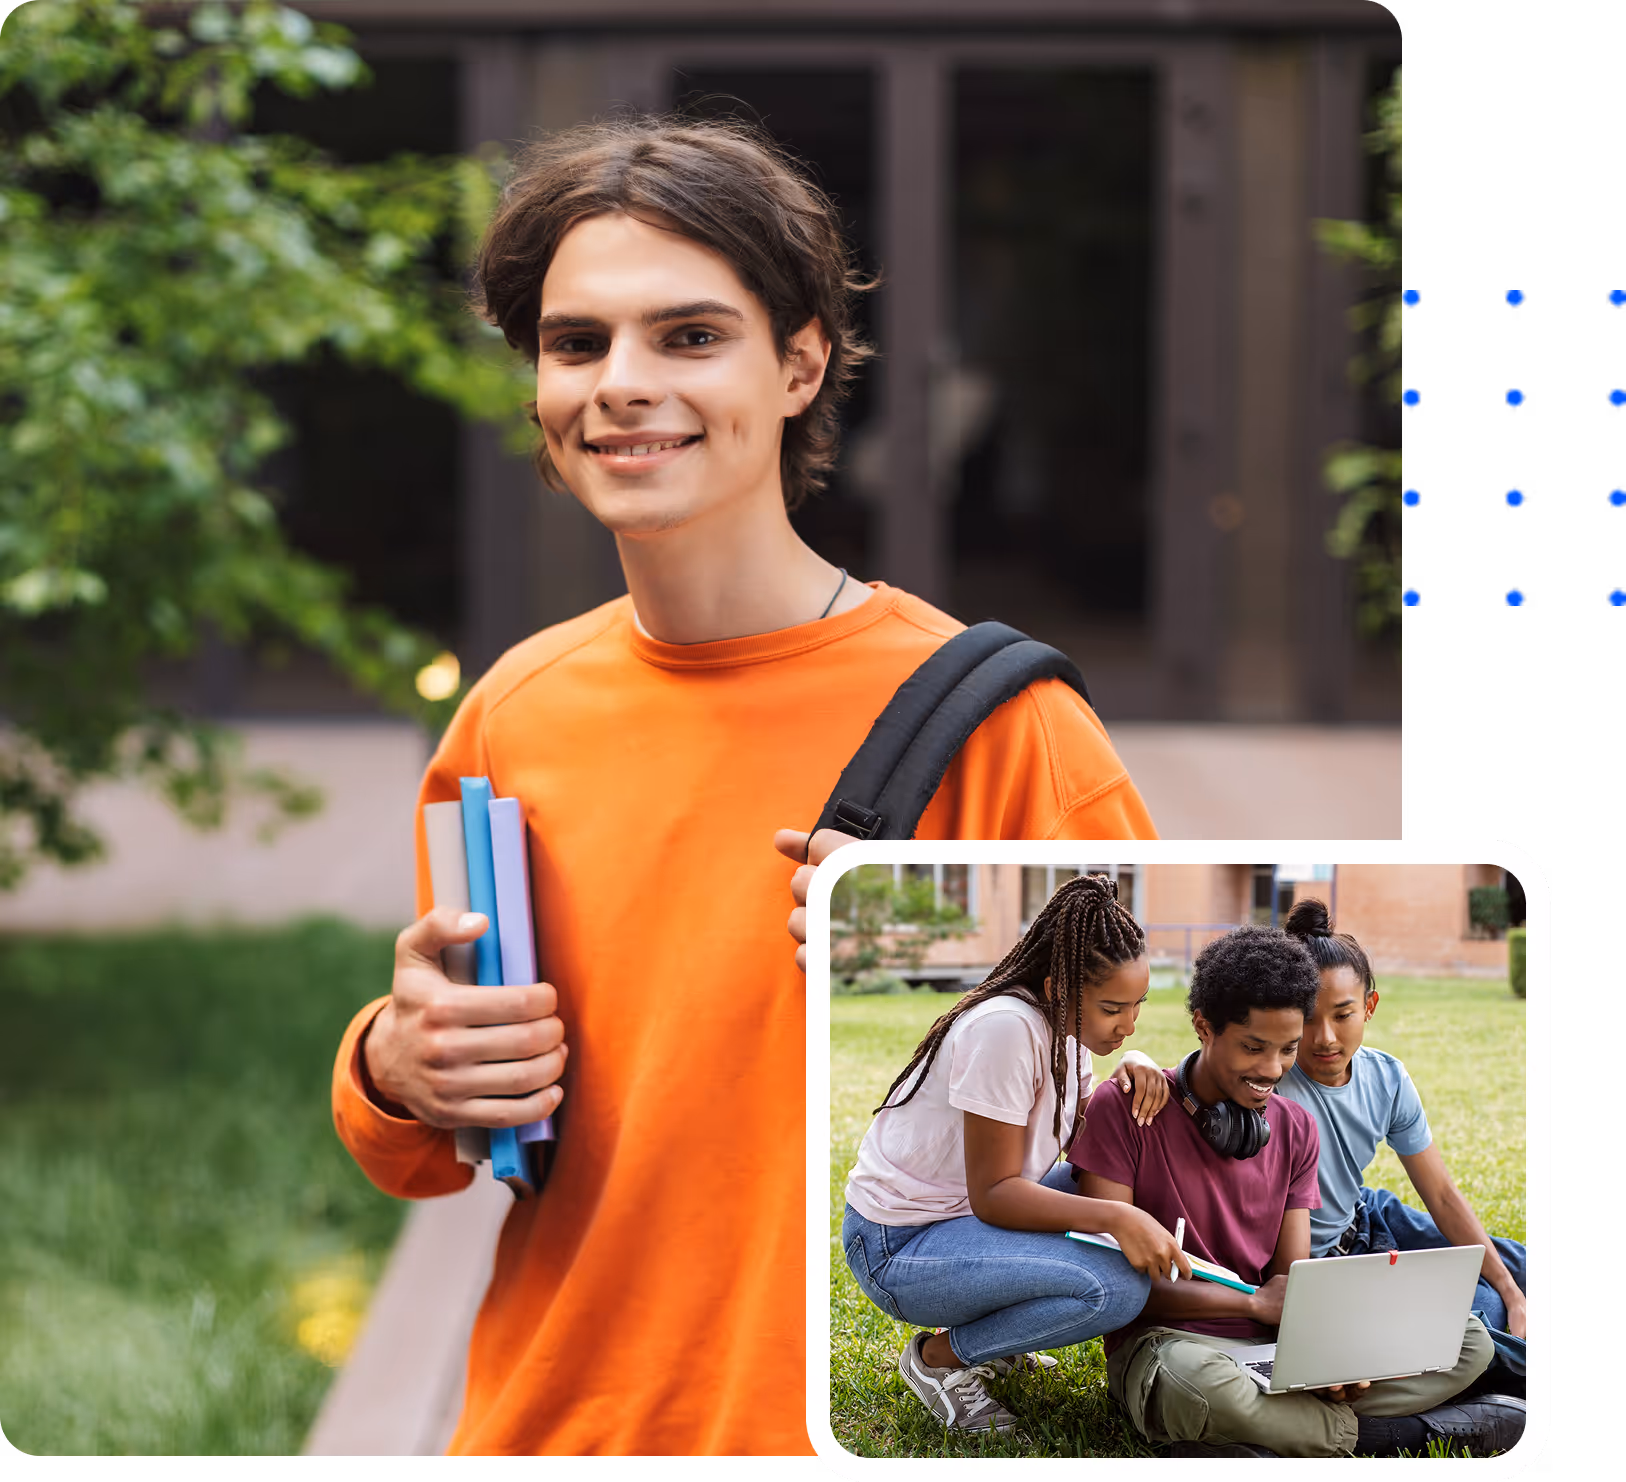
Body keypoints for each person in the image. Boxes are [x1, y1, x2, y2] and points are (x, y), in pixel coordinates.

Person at [330, 113, 1157, 1456]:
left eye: (689, 335)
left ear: (799, 363)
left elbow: (1115, 1086)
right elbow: (430, 1150)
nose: (621, 383)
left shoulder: (1009, 727)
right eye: (575, 342)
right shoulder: (513, 713)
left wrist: (929, 970)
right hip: (554, 1418)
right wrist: (395, 1060)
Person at [1064, 924, 1521, 1458]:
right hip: (1174, 1344)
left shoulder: (1297, 1128)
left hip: (1272, 1348)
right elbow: (1114, 1280)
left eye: (1286, 1049)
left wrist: (1327, 1357)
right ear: (1203, 1026)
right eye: (1253, 1048)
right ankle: (1395, 1437)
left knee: (1466, 1340)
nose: (1271, 1070)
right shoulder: (1124, 1111)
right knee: (1202, 1388)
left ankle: (1267, 1437)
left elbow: (1291, 1279)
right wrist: (1255, 1304)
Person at [840, 874, 1190, 1435]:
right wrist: (1117, 1217)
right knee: (1115, 1286)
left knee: (1115, 1179)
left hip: (960, 1220)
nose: (1128, 1024)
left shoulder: (1066, 1030)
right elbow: (996, 1195)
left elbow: (1074, 1148)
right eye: (1112, 1008)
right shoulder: (1005, 1028)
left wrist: (1129, 1069)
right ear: (1056, 989)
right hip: (898, 1243)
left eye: (1138, 1006)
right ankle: (938, 1361)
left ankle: (1005, 1331)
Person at [1277, 898, 1528, 1395]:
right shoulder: (1267, 1079)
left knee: (1517, 1265)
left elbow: (1441, 1194)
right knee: (1478, 1317)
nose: (1324, 1037)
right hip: (1325, 1261)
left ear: (1369, 1007)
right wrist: (1136, 1061)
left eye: (1343, 1014)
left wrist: (1513, 1292)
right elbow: (1194, 1072)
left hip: (1367, 1217)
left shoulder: (1386, 1077)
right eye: (1307, 1018)